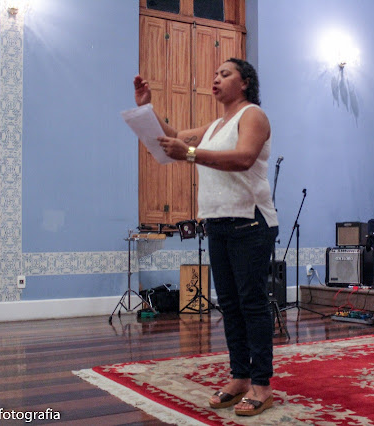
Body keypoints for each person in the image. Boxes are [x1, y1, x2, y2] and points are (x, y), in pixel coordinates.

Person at [133, 58, 278, 417]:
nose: (216, 79)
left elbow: (243, 158)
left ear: (244, 82)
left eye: (225, 74)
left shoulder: (253, 115)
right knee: (229, 304)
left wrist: (191, 153)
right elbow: (173, 139)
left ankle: (262, 384)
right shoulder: (214, 126)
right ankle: (240, 377)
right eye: (215, 74)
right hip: (217, 222)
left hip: (250, 221)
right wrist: (147, 110)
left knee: (252, 304)